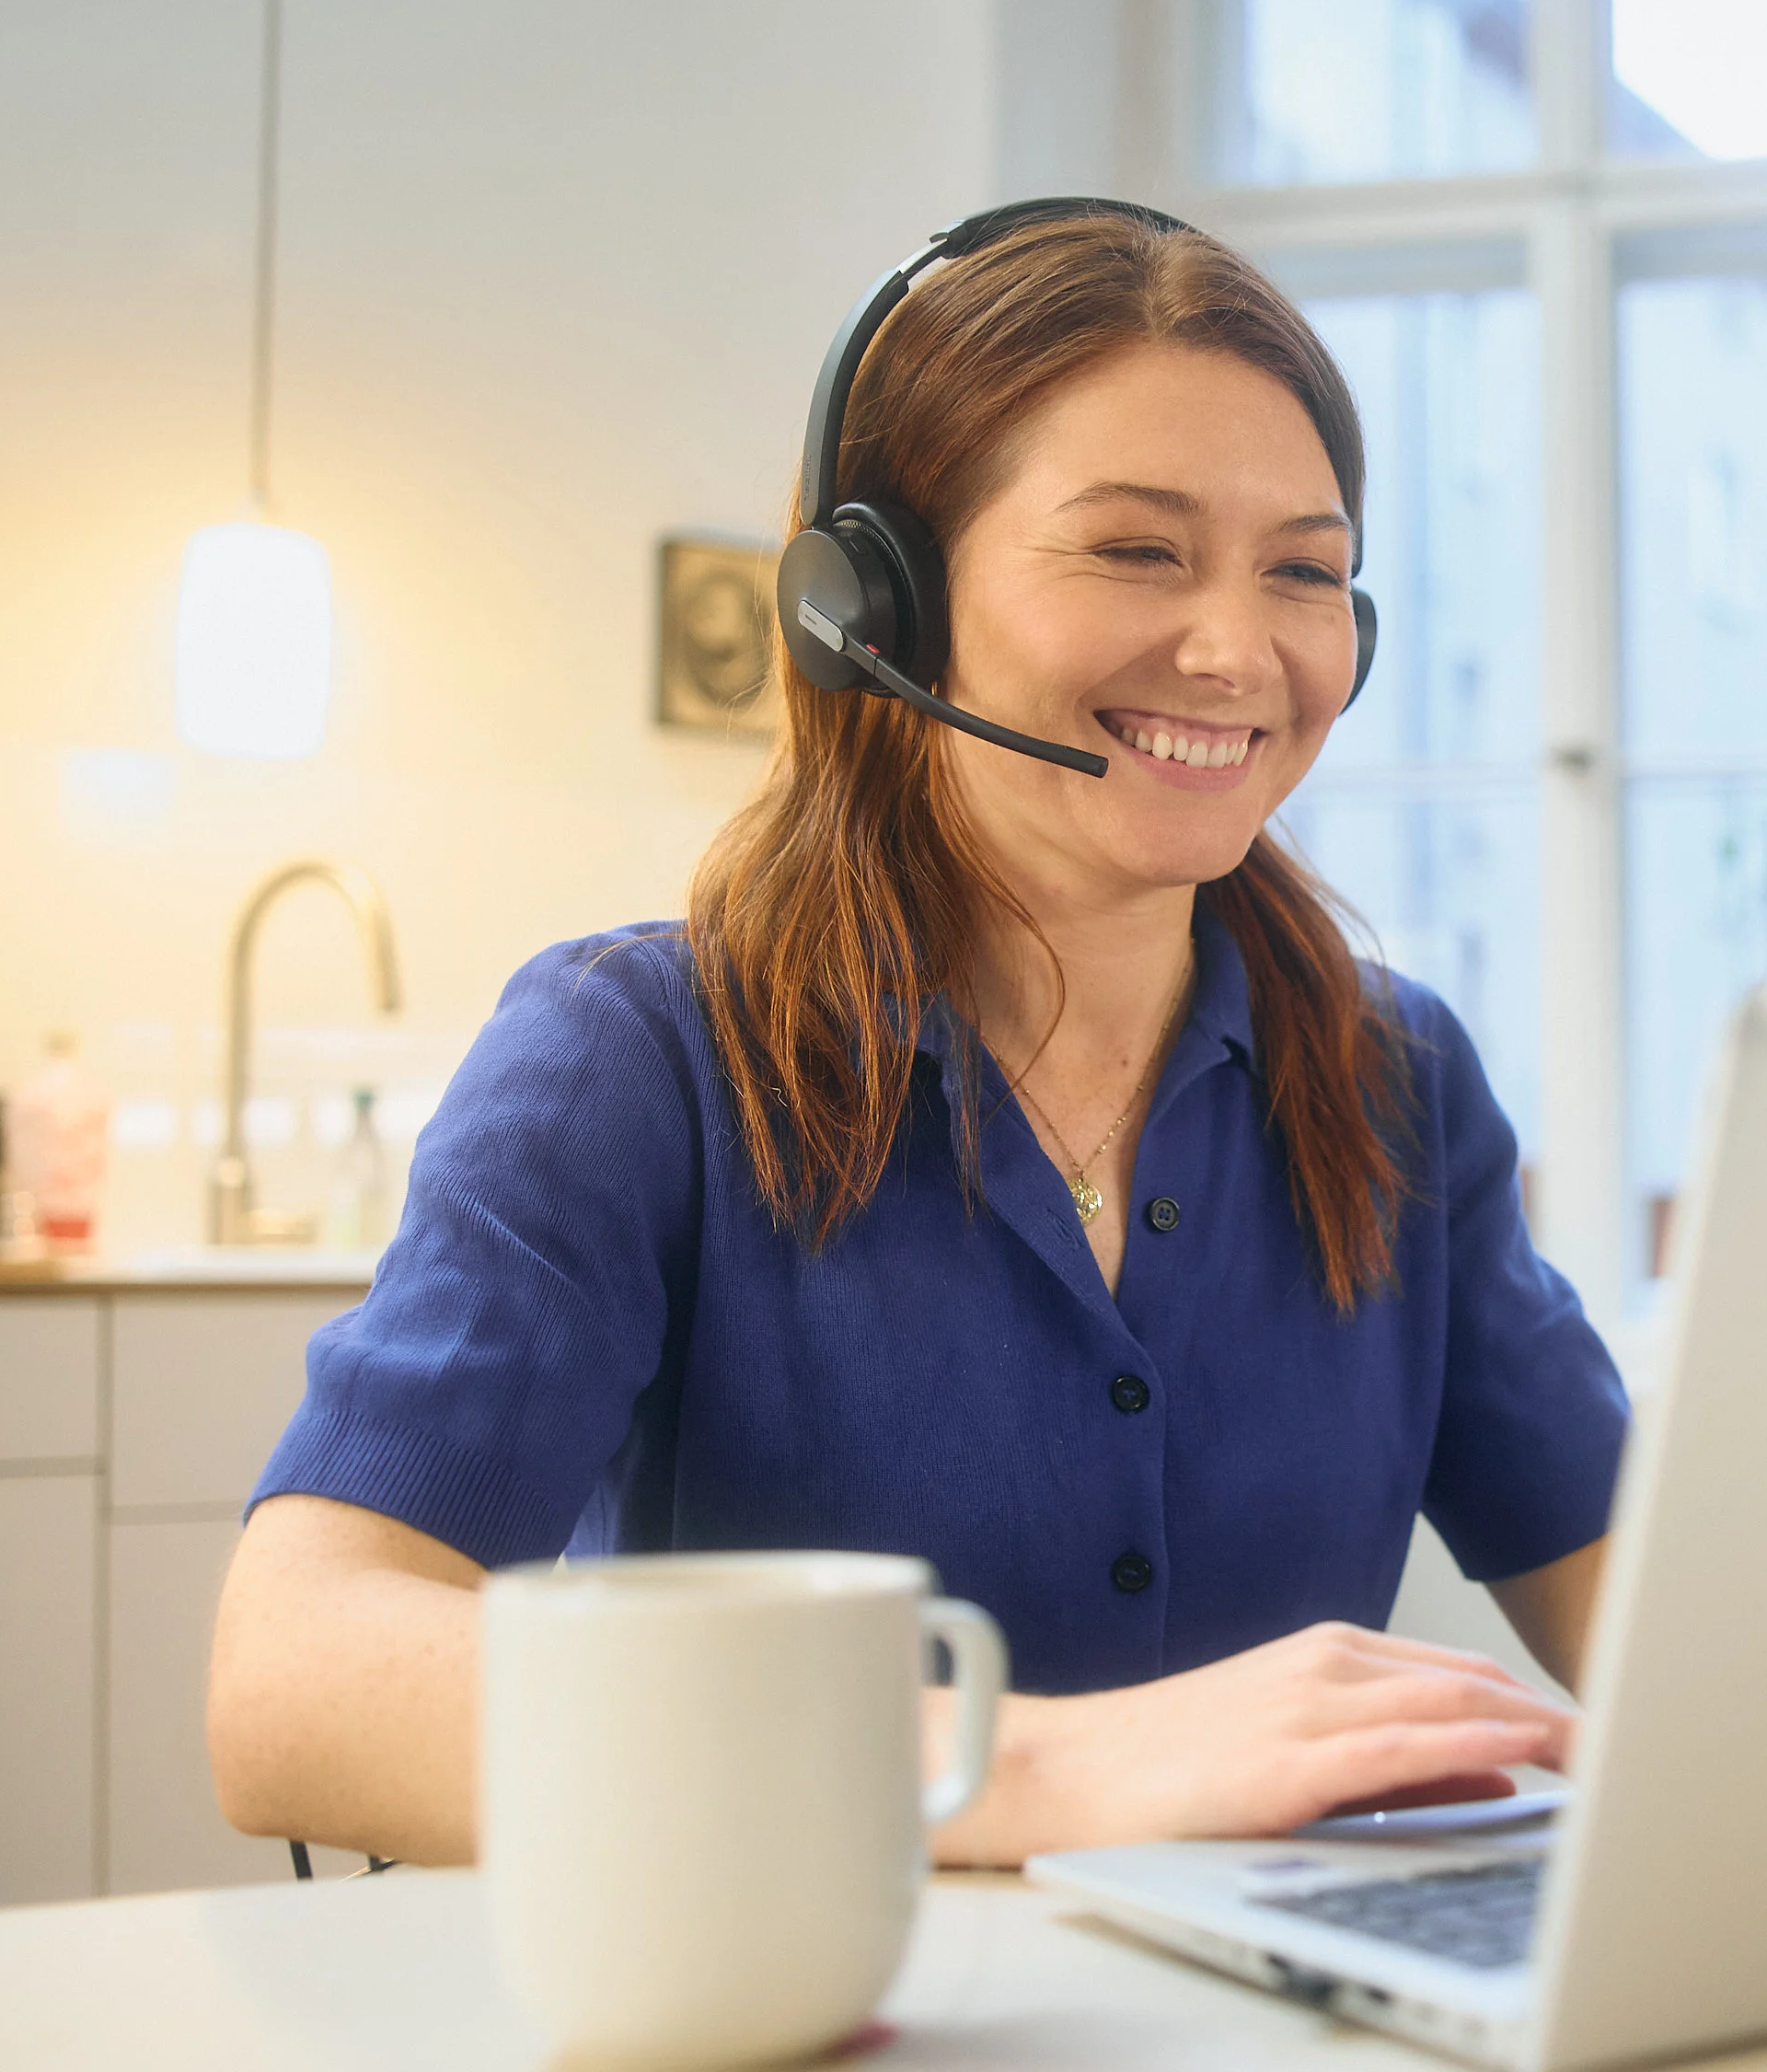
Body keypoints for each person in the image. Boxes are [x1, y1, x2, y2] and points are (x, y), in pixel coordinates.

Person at [206, 202, 1623, 1870]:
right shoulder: (636, 1060)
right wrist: (1044, 1771)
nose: (1242, 650)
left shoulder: (1394, 1083)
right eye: (1136, 550)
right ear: (876, 602)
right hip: (797, 2069)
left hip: (1291, 2070)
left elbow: (1671, 1634)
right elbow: (296, 1687)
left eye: (1305, 572)